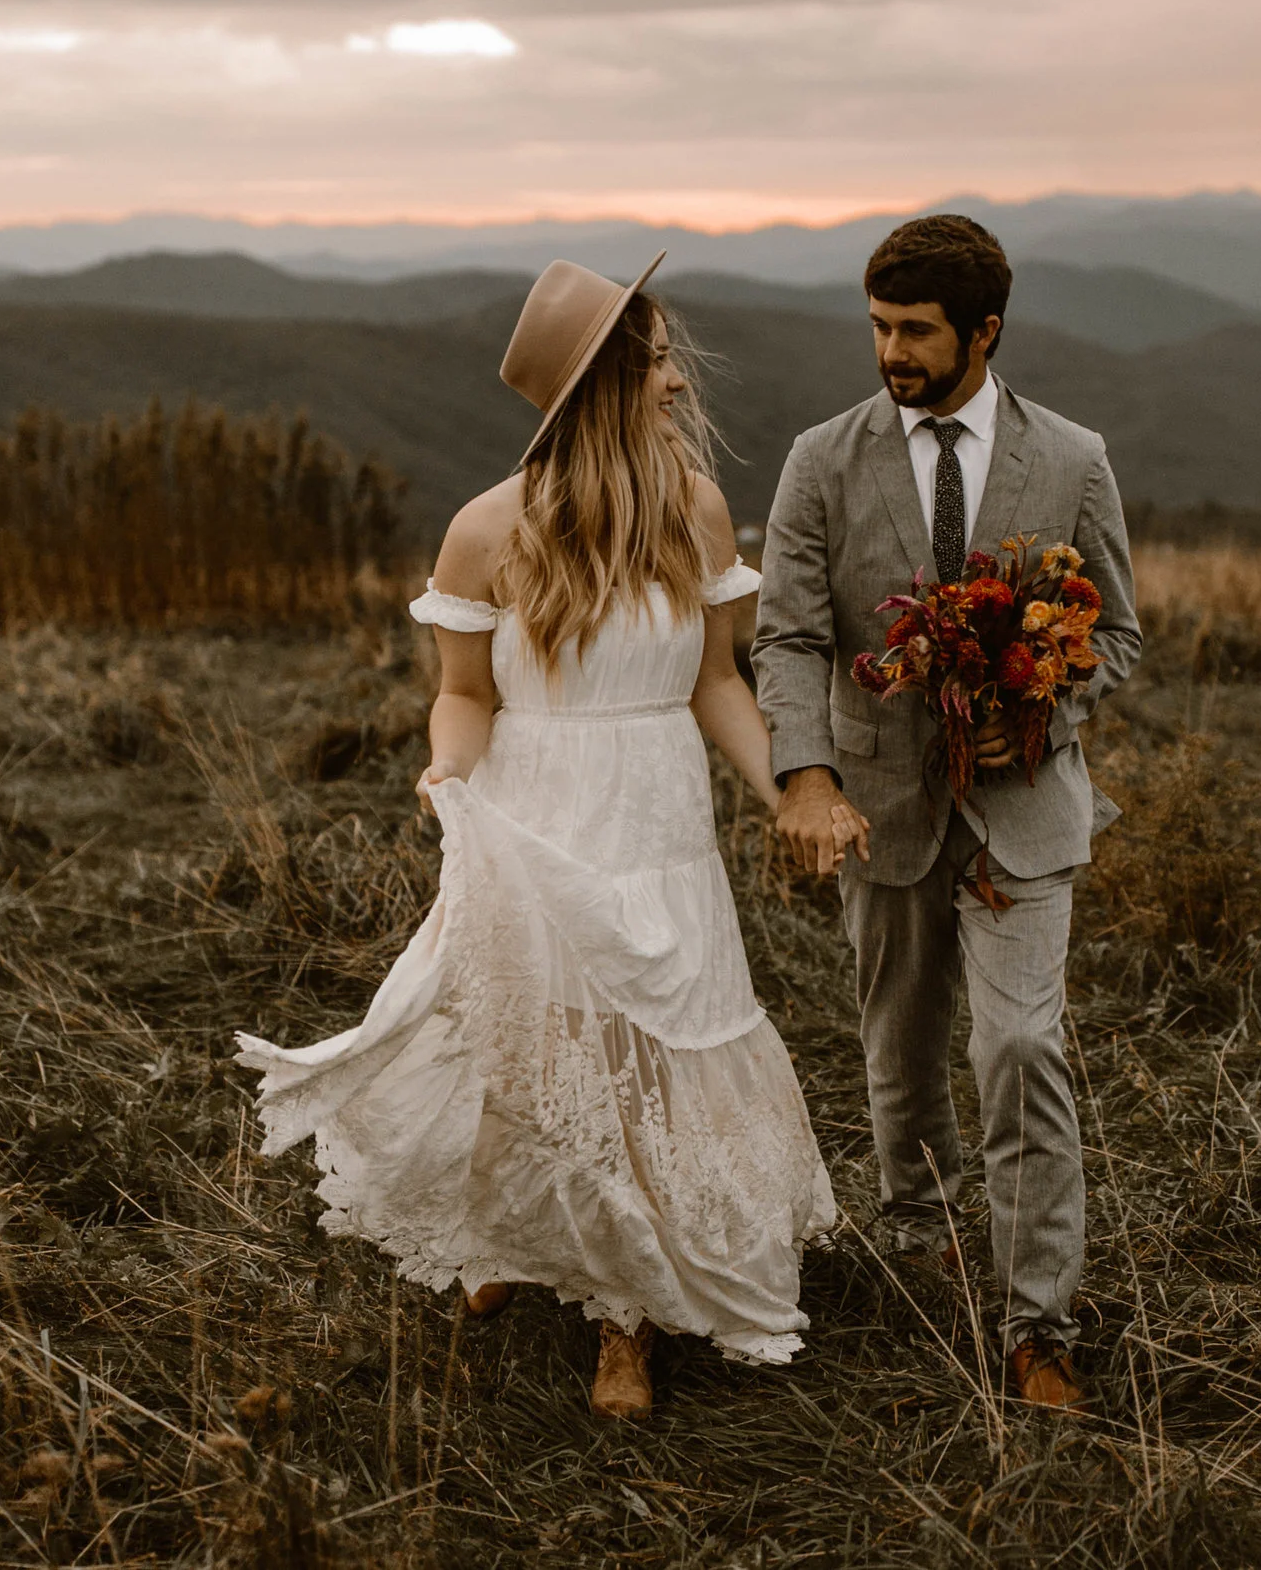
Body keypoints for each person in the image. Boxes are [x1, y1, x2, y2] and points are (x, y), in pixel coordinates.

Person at [236, 254, 838, 1422]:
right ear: (602, 384)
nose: (675, 382)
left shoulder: (697, 509)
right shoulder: (486, 530)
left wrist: (789, 794)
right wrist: (445, 769)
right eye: (656, 362)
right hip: (535, 811)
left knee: (652, 1053)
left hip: (657, 819)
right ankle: (517, 1232)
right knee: (536, 1038)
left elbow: (718, 680)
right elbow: (464, 693)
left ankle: (629, 1318)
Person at [752, 215, 1143, 1411]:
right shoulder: (821, 458)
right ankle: (920, 1240)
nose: (891, 352)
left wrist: (1040, 697)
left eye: (915, 330)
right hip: (875, 803)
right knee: (900, 1045)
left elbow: (1117, 637)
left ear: (984, 330)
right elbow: (789, 633)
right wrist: (806, 776)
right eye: (877, 327)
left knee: (1019, 1045)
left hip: (1023, 810)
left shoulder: (1072, 458)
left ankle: (1038, 1325)